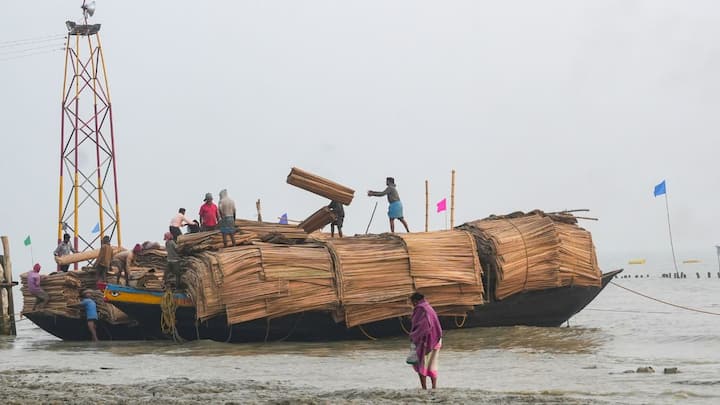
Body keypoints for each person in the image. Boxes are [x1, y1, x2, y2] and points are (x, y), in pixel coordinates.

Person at [409, 292, 442, 390]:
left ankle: (424, 388)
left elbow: (424, 326)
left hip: (427, 341)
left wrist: (413, 335)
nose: (412, 304)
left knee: (421, 364)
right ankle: (434, 387)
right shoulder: (428, 307)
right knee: (432, 364)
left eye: (411, 302)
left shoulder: (420, 308)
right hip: (436, 340)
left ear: (415, 301)